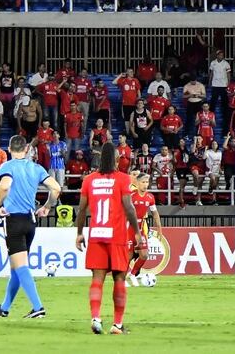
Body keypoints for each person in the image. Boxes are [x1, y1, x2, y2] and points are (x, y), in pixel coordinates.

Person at [0, 135, 62, 319]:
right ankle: (4, 307)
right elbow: (56, 188)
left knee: (20, 266)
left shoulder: (7, 166)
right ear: (27, 149)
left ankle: (38, 307)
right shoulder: (36, 168)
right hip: (30, 221)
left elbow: (4, 187)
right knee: (16, 266)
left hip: (13, 220)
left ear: (9, 149)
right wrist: (47, 206)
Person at [76, 141, 144, 335]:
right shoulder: (123, 179)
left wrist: (79, 233)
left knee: (97, 279)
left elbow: (81, 209)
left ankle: (96, 318)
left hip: (97, 234)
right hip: (117, 236)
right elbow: (129, 207)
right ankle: (117, 324)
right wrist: (137, 232)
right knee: (119, 279)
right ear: (116, 159)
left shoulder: (89, 180)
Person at [127, 172, 163, 286]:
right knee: (128, 256)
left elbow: (155, 213)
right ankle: (120, 279)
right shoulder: (131, 196)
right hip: (129, 228)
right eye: (143, 182)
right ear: (137, 183)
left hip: (141, 229)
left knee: (144, 254)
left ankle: (132, 274)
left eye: (147, 182)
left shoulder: (150, 197)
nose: (145, 184)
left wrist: (159, 229)